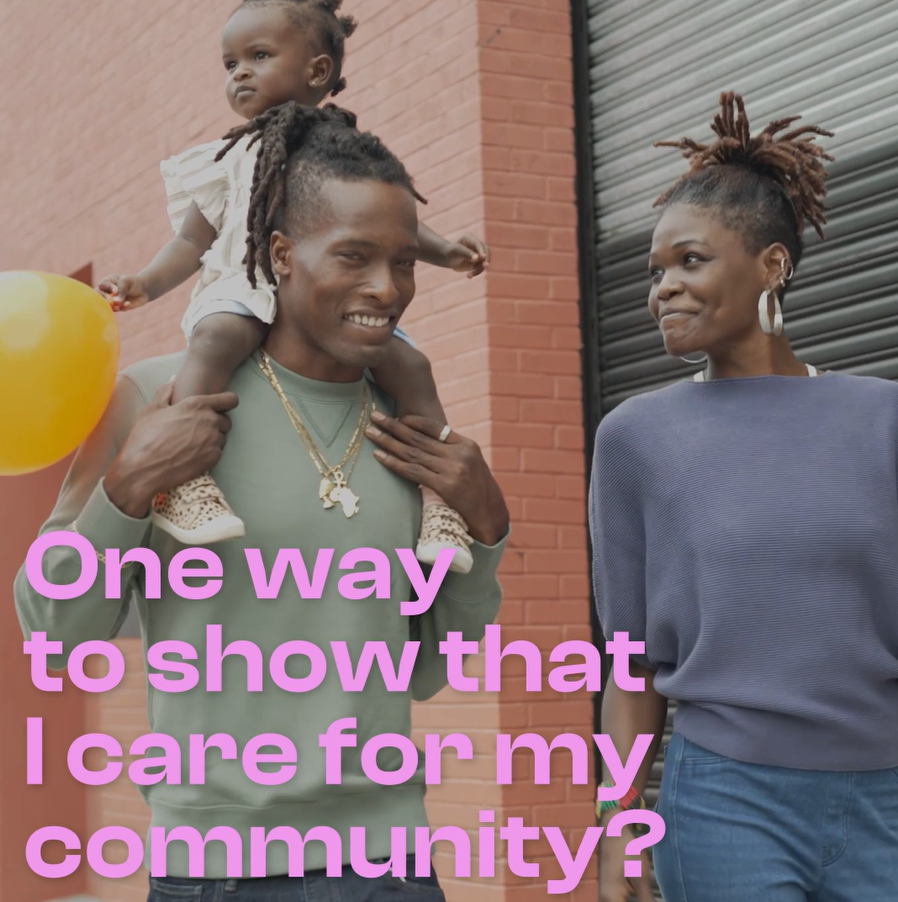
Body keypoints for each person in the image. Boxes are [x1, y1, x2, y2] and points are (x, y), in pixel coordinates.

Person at [16, 107, 509, 901]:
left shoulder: (410, 429)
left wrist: (485, 534)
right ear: (281, 255)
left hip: (388, 866)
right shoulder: (159, 397)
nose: (386, 289)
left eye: (404, 262)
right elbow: (52, 629)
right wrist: (127, 487)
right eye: (353, 256)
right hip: (217, 871)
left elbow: (423, 668)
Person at [590, 92, 898, 902]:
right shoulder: (636, 438)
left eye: (690, 261)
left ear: (772, 265)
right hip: (724, 802)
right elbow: (630, 664)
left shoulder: (884, 420)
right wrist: (618, 820)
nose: (662, 289)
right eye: (655, 271)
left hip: (887, 798)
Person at [98, 0, 489, 575]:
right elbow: (190, 242)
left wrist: (446, 251)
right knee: (216, 338)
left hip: (325, 305)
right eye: (230, 63)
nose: (240, 72)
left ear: (317, 71)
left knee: (413, 367)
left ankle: (439, 505)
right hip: (245, 286)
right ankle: (185, 480)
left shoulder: (343, 157)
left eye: (258, 56)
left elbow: (391, 225)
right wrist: (145, 283)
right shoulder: (225, 159)